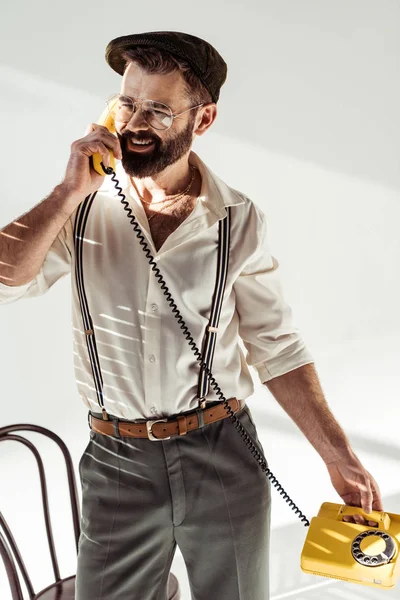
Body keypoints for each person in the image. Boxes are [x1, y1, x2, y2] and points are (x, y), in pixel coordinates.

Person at [0, 31, 383, 600]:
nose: (135, 121)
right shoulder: (80, 210)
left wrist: (340, 458)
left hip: (222, 450)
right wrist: (65, 191)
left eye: (157, 109)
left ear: (201, 120)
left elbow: (275, 346)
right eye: (127, 102)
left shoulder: (236, 218)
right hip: (118, 459)